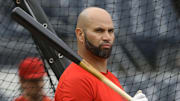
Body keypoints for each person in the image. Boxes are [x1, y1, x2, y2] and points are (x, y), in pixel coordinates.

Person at [55, 7, 148, 101]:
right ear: (80, 35)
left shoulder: (112, 79)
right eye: (99, 30)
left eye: (110, 31)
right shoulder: (76, 80)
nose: (107, 37)